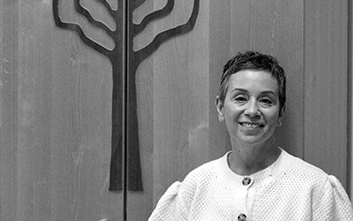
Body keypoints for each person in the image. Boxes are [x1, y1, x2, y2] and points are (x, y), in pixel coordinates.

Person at [148, 50, 353, 220]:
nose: (252, 111)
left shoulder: (315, 188)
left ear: (280, 113)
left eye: (266, 101)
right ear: (220, 108)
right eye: (240, 98)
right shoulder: (196, 186)